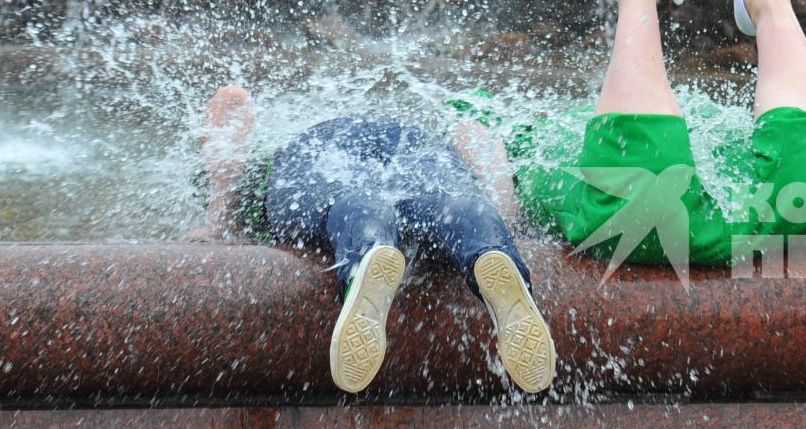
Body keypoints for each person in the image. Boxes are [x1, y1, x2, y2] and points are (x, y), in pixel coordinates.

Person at [450, 0, 806, 275]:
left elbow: (467, 125)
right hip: (666, 202)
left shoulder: (529, 133)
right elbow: (469, 126)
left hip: (693, 189)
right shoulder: (523, 136)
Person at [191, 87, 556, 396]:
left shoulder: (276, 161)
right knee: (455, 202)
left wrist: (216, 220)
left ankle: (370, 252)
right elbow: (474, 128)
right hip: (418, 143)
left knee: (352, 201)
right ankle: (490, 246)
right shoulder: (442, 132)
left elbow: (231, 101)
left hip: (319, 148)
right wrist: (505, 208)